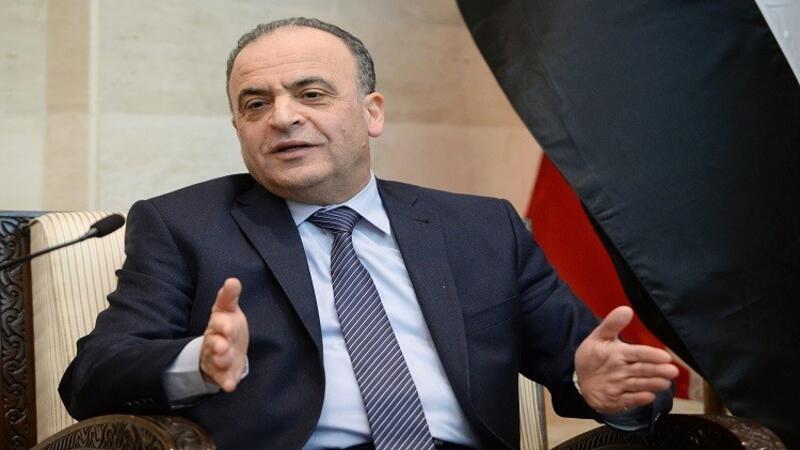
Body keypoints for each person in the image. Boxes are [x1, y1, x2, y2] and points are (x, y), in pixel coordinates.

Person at [59, 17, 678, 450]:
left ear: (371, 112)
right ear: (239, 127)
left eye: (311, 93)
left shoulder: (483, 228)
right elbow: (91, 379)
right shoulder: (184, 225)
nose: (282, 117)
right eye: (255, 104)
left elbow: (595, 364)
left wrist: (609, 390)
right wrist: (198, 362)